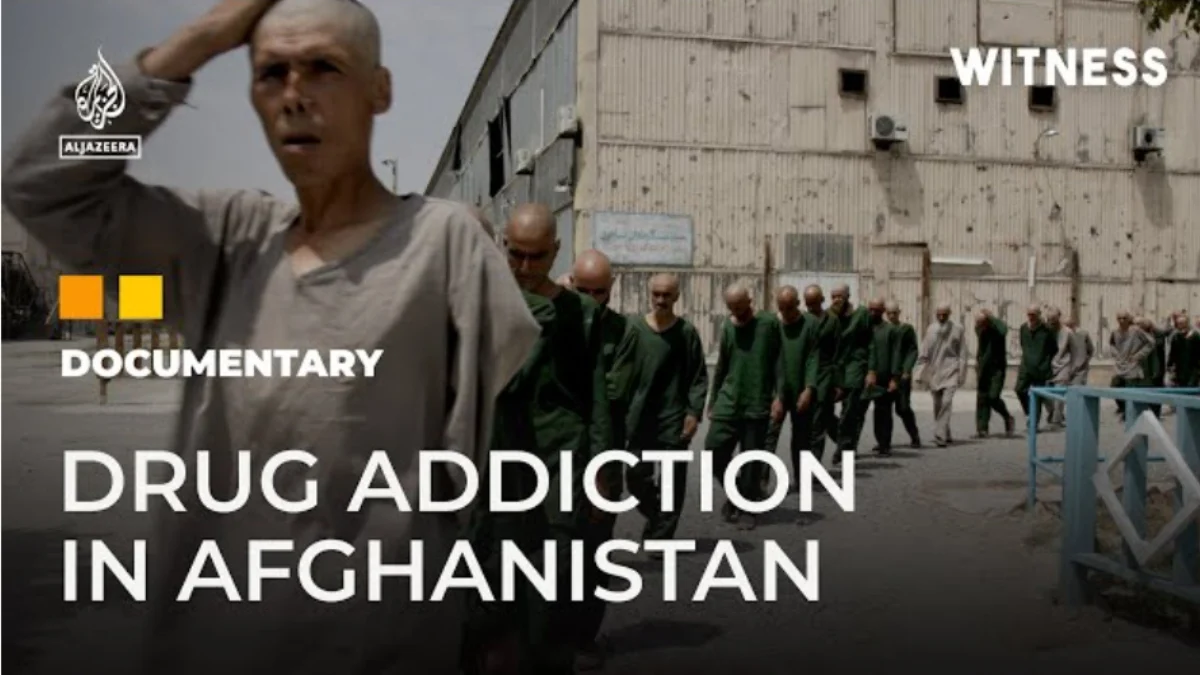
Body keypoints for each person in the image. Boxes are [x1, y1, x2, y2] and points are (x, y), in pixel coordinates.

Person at [3, 2, 544, 674]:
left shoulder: (446, 246)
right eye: (271, 73)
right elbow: (39, 183)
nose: (294, 96)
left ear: (380, 90)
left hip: (386, 645)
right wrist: (196, 44)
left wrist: (499, 614)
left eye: (324, 68)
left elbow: (498, 462)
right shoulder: (226, 238)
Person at [471, 203, 611, 675]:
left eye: (536, 257)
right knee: (485, 601)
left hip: (557, 473)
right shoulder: (484, 303)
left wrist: (602, 474)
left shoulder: (583, 317)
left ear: (556, 251)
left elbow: (597, 401)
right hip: (494, 473)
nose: (525, 269)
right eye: (515, 256)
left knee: (549, 601)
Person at [566, 248, 639, 671]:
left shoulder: (622, 334)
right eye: (582, 291)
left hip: (603, 458)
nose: (591, 301)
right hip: (555, 459)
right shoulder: (554, 321)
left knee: (593, 555)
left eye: (599, 293)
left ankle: (584, 637)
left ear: (611, 291)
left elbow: (610, 394)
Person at [625, 274, 708, 543]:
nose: (661, 300)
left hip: (674, 420)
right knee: (636, 477)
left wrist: (694, 413)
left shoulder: (686, 333)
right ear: (650, 295)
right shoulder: (634, 330)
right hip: (640, 420)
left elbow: (698, 377)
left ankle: (662, 537)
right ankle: (657, 515)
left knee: (672, 483)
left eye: (667, 295)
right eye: (656, 294)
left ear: (676, 296)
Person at [705, 283, 783, 530]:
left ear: (751, 300)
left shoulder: (769, 324)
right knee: (713, 453)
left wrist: (779, 396)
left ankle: (748, 507)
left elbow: (779, 362)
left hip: (756, 402)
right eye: (731, 307)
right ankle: (740, 492)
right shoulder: (728, 326)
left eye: (740, 305)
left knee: (750, 460)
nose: (737, 311)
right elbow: (722, 366)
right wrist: (713, 401)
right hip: (729, 401)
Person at [764, 286, 810, 488]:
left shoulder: (809, 325)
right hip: (777, 395)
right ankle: (761, 481)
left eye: (790, 308)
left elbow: (814, 359)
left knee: (801, 440)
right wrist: (775, 395)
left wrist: (809, 388)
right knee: (768, 437)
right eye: (782, 308)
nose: (786, 313)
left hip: (801, 392)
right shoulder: (771, 325)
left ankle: (802, 480)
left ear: (798, 304)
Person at [797, 285, 840, 466]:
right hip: (805, 377)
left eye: (814, 303)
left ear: (822, 301)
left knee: (818, 424)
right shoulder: (803, 320)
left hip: (825, 376)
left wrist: (838, 383)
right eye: (808, 304)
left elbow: (838, 353)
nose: (811, 308)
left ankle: (813, 466)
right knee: (806, 424)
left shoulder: (832, 321)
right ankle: (844, 441)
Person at [915, 304, 968, 447]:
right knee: (938, 405)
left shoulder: (958, 329)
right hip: (934, 373)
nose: (941, 317)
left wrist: (962, 373)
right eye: (939, 314)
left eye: (945, 314)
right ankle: (946, 433)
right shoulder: (931, 329)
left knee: (946, 402)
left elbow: (963, 353)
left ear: (950, 313)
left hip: (951, 371)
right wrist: (919, 373)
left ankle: (939, 435)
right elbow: (924, 353)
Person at [830, 283, 871, 463]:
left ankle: (843, 449)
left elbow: (871, 342)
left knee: (849, 411)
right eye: (834, 296)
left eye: (840, 296)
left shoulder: (860, 315)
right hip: (834, 369)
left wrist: (871, 370)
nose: (837, 299)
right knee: (824, 413)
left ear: (848, 296)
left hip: (854, 366)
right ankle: (845, 443)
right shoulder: (829, 317)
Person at [865, 298, 900, 456]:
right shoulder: (864, 328)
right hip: (864, 379)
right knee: (858, 414)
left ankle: (884, 444)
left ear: (882, 311)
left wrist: (894, 378)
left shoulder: (890, 330)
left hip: (885, 379)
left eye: (877, 310)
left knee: (883, 413)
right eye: (871, 309)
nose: (873, 313)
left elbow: (895, 355)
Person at [884, 301, 921, 448]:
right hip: (886, 377)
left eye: (895, 313)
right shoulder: (883, 329)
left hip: (901, 376)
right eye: (889, 313)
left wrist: (907, 370)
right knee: (885, 410)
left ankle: (914, 435)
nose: (892, 316)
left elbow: (912, 350)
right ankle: (884, 442)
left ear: (899, 313)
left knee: (903, 408)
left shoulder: (906, 329)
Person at [973, 309, 1015, 438]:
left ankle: (1007, 417)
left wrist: (992, 318)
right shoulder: (980, 329)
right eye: (978, 323)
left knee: (993, 397)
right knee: (982, 398)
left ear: (988, 321)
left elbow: (1004, 330)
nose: (980, 325)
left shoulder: (997, 329)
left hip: (997, 369)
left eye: (982, 322)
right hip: (983, 367)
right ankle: (982, 428)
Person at [1109, 311, 1155, 421]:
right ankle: (1123, 409)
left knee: (1130, 389)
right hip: (1120, 364)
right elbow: (1111, 344)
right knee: (1115, 386)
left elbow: (1151, 342)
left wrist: (1139, 355)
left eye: (1124, 318)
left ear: (1128, 319)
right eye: (1119, 318)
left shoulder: (1136, 330)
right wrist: (1116, 354)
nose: (1121, 320)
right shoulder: (1115, 332)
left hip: (1132, 364)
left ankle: (1129, 414)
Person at [1015, 305, 1055, 429]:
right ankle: (1029, 412)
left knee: (1037, 396)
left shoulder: (1046, 330)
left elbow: (1053, 348)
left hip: (1041, 367)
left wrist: (1045, 360)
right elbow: (1023, 344)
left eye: (1033, 314)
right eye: (1029, 314)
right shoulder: (1023, 328)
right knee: (1019, 390)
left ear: (1038, 315)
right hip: (1026, 366)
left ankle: (1034, 423)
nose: (1031, 317)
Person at [1046, 307, 1073, 427]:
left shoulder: (1068, 332)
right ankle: (1053, 413)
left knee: (1059, 391)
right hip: (1048, 365)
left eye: (1053, 320)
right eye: (1049, 320)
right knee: (1045, 392)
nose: (1051, 322)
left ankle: (1056, 420)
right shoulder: (1046, 331)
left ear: (1058, 318)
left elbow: (1075, 350)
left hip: (1064, 364)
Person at [1167, 312, 1200, 388]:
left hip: (1192, 368)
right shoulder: (1176, 336)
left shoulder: (1195, 336)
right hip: (1179, 369)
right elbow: (1172, 353)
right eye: (1179, 323)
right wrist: (1170, 365)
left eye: (1182, 323)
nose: (1180, 325)